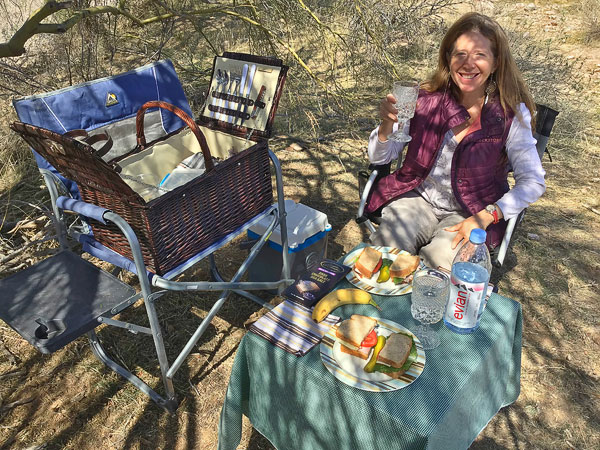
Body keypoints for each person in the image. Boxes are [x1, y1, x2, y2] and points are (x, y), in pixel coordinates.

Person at [366, 12, 546, 271]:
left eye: (480, 55)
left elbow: (533, 182)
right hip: (417, 199)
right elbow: (379, 157)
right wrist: (386, 124)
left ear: (496, 63)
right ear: (448, 58)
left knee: (440, 265)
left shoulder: (510, 115)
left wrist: (486, 217)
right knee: (385, 253)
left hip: (471, 211)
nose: (468, 64)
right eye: (460, 54)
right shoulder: (424, 99)